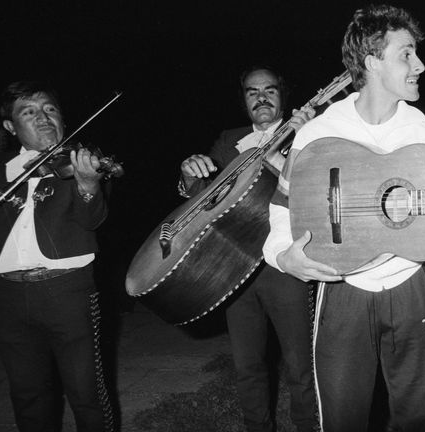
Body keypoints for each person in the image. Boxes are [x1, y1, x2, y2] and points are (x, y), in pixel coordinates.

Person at [262, 5, 425, 431]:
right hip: (342, 290)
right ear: (373, 62)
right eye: (406, 54)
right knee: (341, 418)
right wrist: (283, 256)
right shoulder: (317, 133)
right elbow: (283, 207)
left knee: (421, 417)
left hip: (410, 285)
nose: (420, 65)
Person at [0, 81, 115, 432]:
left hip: (68, 293)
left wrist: (87, 185)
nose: (43, 118)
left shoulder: (82, 162)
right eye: (29, 112)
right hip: (7, 296)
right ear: (10, 127)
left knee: (87, 394)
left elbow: (92, 218)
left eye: (50, 109)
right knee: (28, 396)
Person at [179, 66, 317, 432]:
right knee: (247, 366)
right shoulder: (229, 141)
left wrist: (304, 140)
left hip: (286, 266)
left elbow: (312, 190)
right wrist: (189, 176)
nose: (262, 98)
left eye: (270, 90)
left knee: (302, 366)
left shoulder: (307, 130)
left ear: (282, 96)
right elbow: (203, 199)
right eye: (253, 92)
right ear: (243, 100)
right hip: (235, 268)